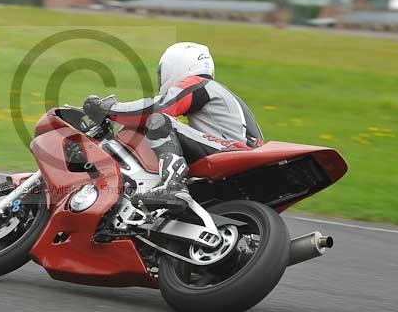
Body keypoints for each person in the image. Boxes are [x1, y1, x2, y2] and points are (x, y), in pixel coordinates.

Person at [83, 42, 263, 201]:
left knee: (159, 120)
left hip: (232, 152)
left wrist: (108, 109)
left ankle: (173, 184)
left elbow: (161, 107)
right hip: (247, 159)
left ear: (178, 65)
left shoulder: (199, 83)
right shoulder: (223, 93)